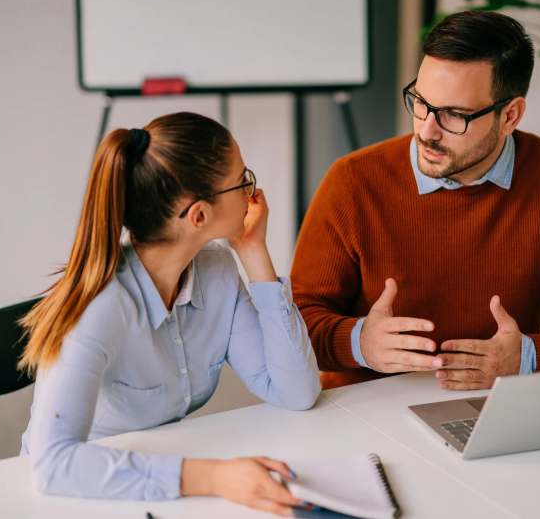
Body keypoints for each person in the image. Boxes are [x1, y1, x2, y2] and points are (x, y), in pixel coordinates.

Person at [291, 10, 540, 390]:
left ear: (509, 116)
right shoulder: (354, 180)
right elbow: (294, 324)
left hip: (495, 403)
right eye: (420, 102)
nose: (426, 131)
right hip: (362, 406)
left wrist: (528, 357)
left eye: (454, 115)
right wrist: (358, 343)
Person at [19, 112, 321, 515]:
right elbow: (52, 464)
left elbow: (295, 392)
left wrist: (253, 252)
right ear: (199, 215)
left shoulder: (217, 271)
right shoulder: (99, 308)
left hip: (160, 480)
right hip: (78, 497)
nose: (252, 190)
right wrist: (214, 477)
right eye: (242, 180)